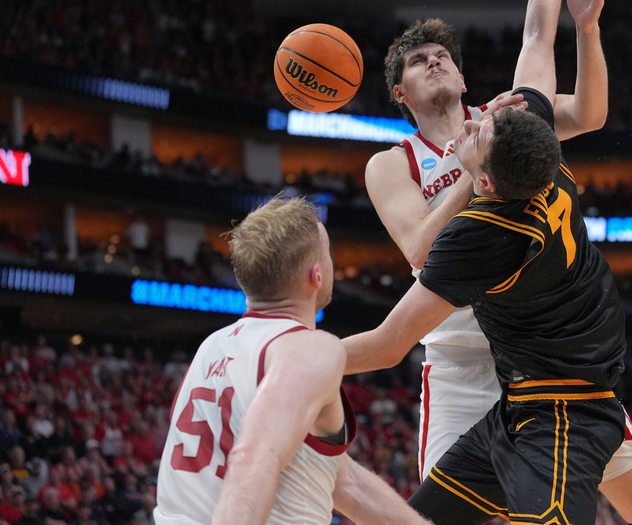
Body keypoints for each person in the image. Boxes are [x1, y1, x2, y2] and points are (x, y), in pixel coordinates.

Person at [343, 0, 632, 525]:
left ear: (465, 80)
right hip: (457, 349)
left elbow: (586, 108)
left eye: (442, 55)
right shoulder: (394, 161)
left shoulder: (504, 124)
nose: (434, 60)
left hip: (540, 346)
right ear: (401, 93)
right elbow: (420, 248)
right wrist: (476, 176)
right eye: (418, 62)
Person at [152, 196, 431, 525]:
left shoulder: (212, 347)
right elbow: (254, 458)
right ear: (316, 275)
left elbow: (343, 482)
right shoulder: (309, 347)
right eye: (328, 254)